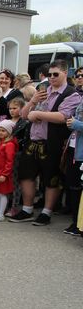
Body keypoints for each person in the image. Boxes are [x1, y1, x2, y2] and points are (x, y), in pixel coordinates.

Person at [11, 60, 81, 226]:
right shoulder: (42, 91)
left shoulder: (72, 94)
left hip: (53, 142)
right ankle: (27, 209)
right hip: (33, 140)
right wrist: (33, 101)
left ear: (65, 73)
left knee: (51, 178)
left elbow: (63, 117)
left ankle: (46, 212)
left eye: (55, 74)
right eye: (49, 74)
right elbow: (24, 115)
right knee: (26, 175)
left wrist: (38, 115)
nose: (51, 78)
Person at [64, 97, 83, 235]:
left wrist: (78, 124)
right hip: (73, 149)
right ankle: (76, 222)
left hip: (81, 154)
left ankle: (79, 224)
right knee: (73, 187)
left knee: (78, 188)